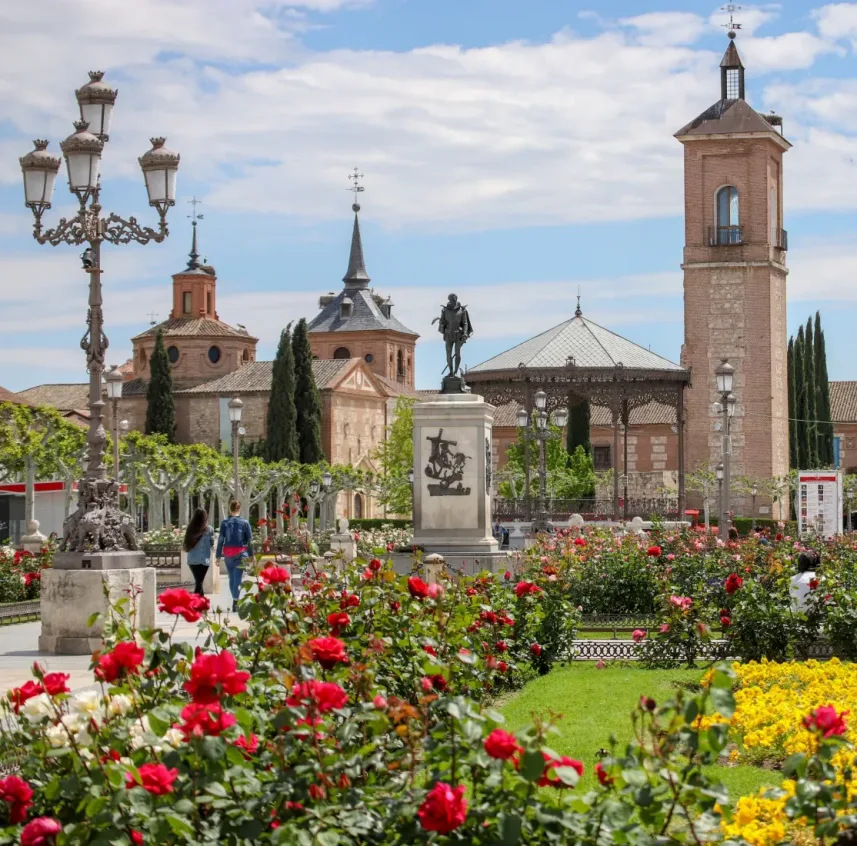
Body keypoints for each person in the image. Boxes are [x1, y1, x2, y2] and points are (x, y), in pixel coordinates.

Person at [216, 500, 254, 612]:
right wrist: (252, 555)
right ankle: (235, 602)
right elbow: (250, 540)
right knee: (238, 577)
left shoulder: (224, 523)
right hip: (241, 552)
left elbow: (221, 540)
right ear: (239, 509)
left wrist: (218, 556)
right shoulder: (245, 522)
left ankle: (234, 600)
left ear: (230, 509)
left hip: (228, 553)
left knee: (231, 577)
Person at [183, 508, 214, 597]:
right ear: (205, 517)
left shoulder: (190, 528)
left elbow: (185, 544)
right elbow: (211, 544)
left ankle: (202, 606)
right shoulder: (209, 529)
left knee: (199, 582)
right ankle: (195, 605)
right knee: (199, 583)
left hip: (192, 560)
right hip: (204, 561)